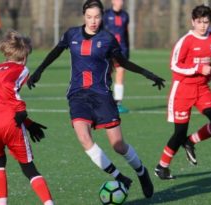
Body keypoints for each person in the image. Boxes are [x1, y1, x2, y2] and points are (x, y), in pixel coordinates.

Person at [27, 0, 165, 199]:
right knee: (84, 138)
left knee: (118, 145)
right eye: (89, 17)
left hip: (101, 95)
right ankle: (120, 177)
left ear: (102, 16)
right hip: (78, 95)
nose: (93, 21)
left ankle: (141, 171)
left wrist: (148, 73)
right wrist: (39, 71)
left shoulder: (107, 39)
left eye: (97, 17)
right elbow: (55, 52)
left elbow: (123, 62)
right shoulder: (71, 34)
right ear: (84, 16)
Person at [0, 31, 54, 205]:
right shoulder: (21, 69)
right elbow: (9, 88)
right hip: (8, 124)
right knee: (29, 168)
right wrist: (22, 111)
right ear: (25, 56)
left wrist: (29, 123)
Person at [155, 4, 211, 180]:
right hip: (183, 90)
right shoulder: (185, 41)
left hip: (202, 89)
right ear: (192, 21)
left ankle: (191, 141)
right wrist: (198, 69)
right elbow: (174, 65)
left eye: (206, 22)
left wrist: (208, 70)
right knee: (179, 133)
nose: (203, 26)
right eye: (199, 22)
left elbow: (207, 57)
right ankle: (161, 167)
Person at [103, 0, 130, 113]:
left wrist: (127, 49)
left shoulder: (125, 15)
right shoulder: (106, 14)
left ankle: (118, 103)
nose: (121, 2)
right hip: (108, 49)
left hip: (121, 49)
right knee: (105, 74)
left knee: (120, 71)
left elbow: (126, 33)